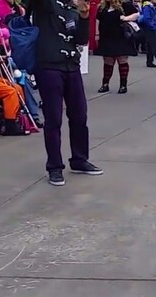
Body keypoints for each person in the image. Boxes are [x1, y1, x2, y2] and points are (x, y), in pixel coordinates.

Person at [31, 0, 104, 186]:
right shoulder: (45, 6)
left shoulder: (72, 8)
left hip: (71, 66)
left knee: (80, 115)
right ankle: (54, 167)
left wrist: (84, 16)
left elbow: (81, 39)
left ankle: (79, 159)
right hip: (49, 67)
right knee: (54, 118)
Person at [95, 0, 139, 93]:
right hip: (106, 37)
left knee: (122, 60)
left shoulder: (124, 5)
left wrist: (126, 18)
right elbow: (98, 20)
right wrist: (97, 34)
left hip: (121, 36)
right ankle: (105, 84)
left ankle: (123, 85)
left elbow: (136, 14)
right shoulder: (102, 7)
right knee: (108, 61)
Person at [139, 0, 156, 67]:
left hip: (153, 27)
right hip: (150, 28)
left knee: (150, 46)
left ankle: (149, 62)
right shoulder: (147, 6)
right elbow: (146, 18)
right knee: (154, 45)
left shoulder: (152, 6)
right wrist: (152, 26)